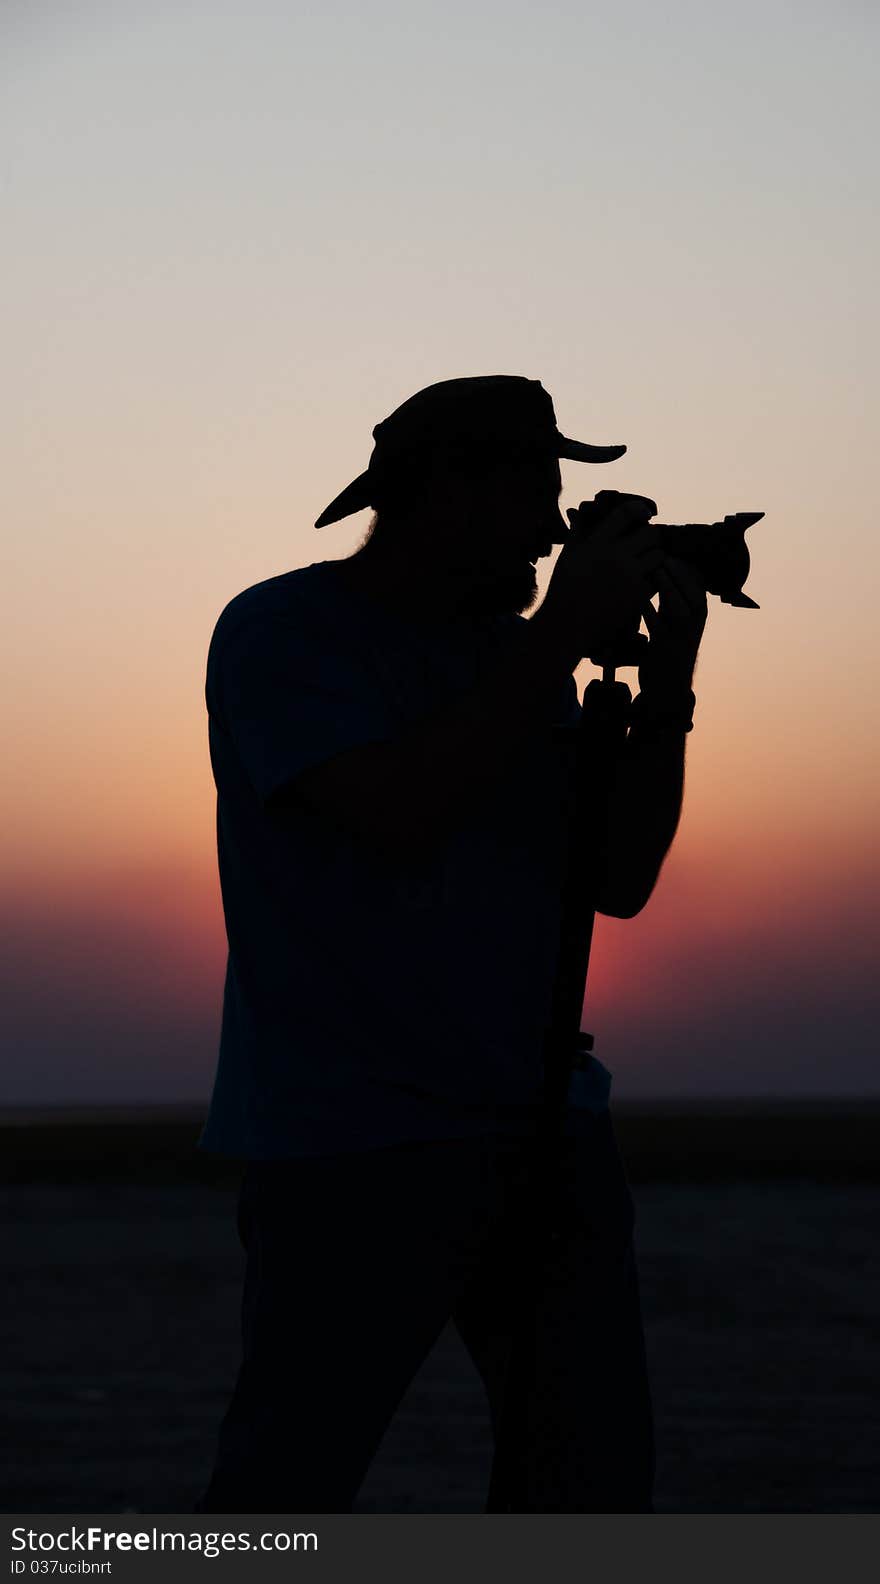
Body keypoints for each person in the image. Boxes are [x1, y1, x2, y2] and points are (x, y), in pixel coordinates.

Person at [194, 374, 707, 1513]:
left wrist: (663, 685)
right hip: (352, 1140)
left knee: (586, 1484)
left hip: (542, 1130)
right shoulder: (285, 631)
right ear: (448, 493)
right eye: (537, 490)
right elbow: (398, 809)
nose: (552, 528)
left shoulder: (511, 657)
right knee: (289, 1481)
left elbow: (616, 881)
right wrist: (559, 639)